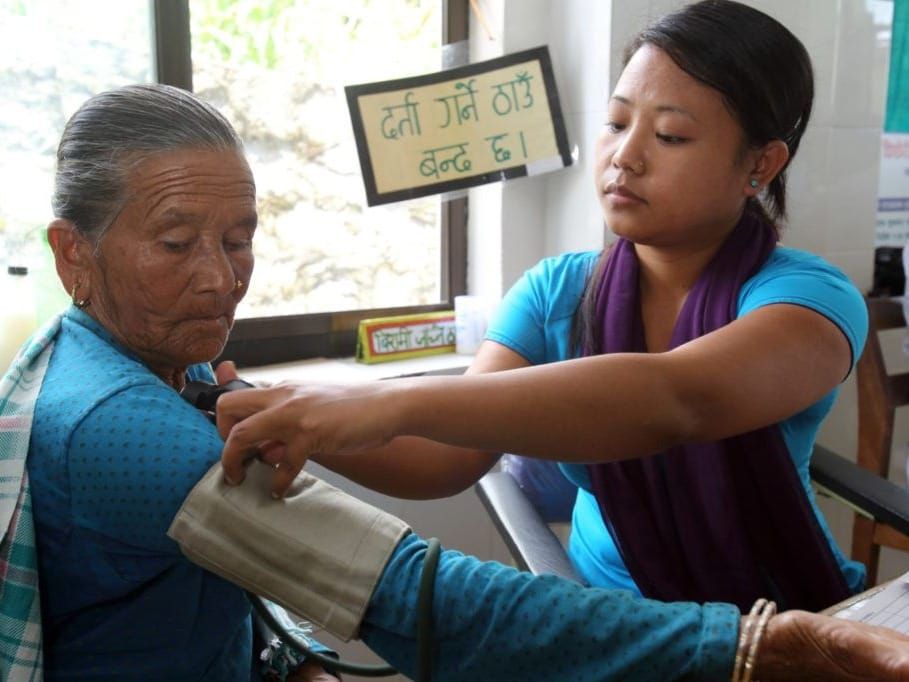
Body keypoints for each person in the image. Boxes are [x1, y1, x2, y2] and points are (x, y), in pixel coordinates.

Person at [218, 0, 867, 615]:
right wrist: (288, 415)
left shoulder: (809, 301)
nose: (624, 157)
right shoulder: (557, 292)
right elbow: (447, 458)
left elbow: (676, 399)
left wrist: (387, 400)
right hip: (618, 625)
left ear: (760, 164)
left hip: (782, 623)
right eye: (616, 123)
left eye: (669, 135)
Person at [1, 84, 335, 680]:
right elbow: (394, 587)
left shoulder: (165, 352)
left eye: (238, 241)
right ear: (74, 252)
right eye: (176, 243)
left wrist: (303, 666)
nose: (219, 279)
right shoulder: (117, 421)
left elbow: (242, 585)